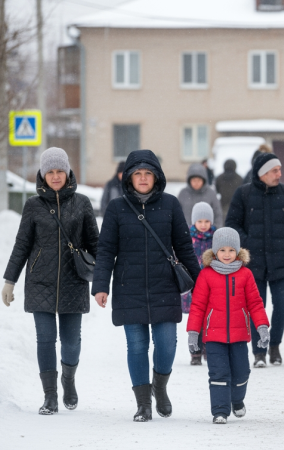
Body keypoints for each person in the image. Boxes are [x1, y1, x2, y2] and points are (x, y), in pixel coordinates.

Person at [92, 149, 201, 422]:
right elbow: (105, 250)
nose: (142, 178)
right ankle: (143, 404)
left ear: (156, 177)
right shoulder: (116, 208)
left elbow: (185, 248)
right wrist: (101, 285)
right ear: (129, 177)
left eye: (148, 173)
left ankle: (160, 387)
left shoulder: (171, 205)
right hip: (129, 287)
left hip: (164, 285)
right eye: (137, 173)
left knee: (166, 345)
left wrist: (201, 282)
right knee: (137, 346)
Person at [2, 147, 100, 415]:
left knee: (71, 342)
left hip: (74, 282)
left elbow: (96, 244)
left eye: (60, 171)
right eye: (50, 172)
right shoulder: (33, 205)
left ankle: (68, 380)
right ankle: (50, 396)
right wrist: (10, 280)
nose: (55, 176)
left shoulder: (82, 203)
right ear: (42, 175)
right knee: (45, 339)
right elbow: (22, 245)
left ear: (67, 172)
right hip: (39, 282)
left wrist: (102, 281)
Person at [226, 152, 284, 367]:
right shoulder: (243, 194)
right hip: (253, 263)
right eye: (274, 170)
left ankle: (275, 346)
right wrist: (247, 243)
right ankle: (259, 350)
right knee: (256, 308)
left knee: (281, 307)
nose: (279, 174)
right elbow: (232, 223)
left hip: (280, 261)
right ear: (262, 173)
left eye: (279, 169)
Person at [187, 227, 270, 424]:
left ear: (238, 251)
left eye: (231, 250)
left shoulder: (246, 275)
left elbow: (255, 303)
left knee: (242, 372)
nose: (226, 254)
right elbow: (197, 305)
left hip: (239, 335)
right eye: (222, 250)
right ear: (215, 251)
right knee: (218, 373)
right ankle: (220, 411)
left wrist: (262, 326)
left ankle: (237, 400)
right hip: (213, 336)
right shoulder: (206, 275)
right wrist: (193, 332)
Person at [182, 202, 217, 366]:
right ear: (194, 222)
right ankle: (194, 351)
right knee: (196, 318)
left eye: (206, 222)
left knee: (210, 319)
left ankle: (208, 348)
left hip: (212, 286)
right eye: (200, 221)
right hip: (193, 285)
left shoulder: (217, 239)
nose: (203, 225)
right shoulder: (187, 238)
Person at [178, 163, 224, 228]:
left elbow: (217, 214)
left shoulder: (211, 193)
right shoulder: (183, 193)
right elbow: (177, 214)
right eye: (194, 180)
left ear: (204, 180)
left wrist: (216, 229)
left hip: (208, 234)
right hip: (186, 233)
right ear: (189, 180)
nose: (196, 183)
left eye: (199, 180)